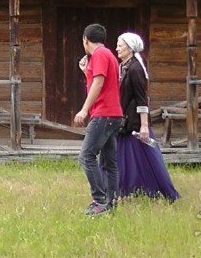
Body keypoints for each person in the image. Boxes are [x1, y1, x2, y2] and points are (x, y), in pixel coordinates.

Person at [113, 32, 180, 202]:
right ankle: (126, 190)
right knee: (125, 159)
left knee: (148, 159)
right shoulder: (124, 67)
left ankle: (161, 192)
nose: (117, 48)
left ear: (130, 48)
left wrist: (144, 126)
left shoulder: (135, 68)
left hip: (135, 124)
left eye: (120, 45)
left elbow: (142, 99)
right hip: (125, 123)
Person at [74, 23, 124, 216]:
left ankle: (100, 200)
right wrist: (85, 71)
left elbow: (99, 81)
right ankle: (112, 202)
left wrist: (84, 109)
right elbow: (101, 81)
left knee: (86, 156)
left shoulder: (100, 55)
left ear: (85, 39)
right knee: (110, 162)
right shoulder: (109, 55)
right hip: (114, 114)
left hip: (103, 114)